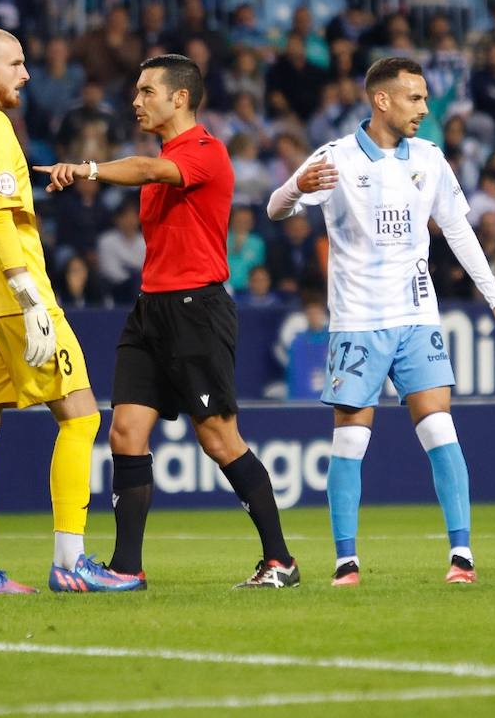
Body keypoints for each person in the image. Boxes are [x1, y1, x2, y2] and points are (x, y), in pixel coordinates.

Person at [37, 55, 299, 588]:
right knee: (125, 432)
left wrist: (88, 168)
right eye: (135, 91)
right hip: (150, 309)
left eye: (146, 91)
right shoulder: (161, 157)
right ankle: (125, 569)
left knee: (220, 439)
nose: (136, 101)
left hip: (196, 311)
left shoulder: (204, 151)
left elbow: (149, 170)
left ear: (179, 98)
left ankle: (280, 561)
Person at [266, 57, 495, 587]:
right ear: (381, 99)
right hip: (358, 323)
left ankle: (462, 556)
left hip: (416, 317)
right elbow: (275, 207)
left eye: (426, 98)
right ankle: (346, 563)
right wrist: (295, 188)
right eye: (415, 98)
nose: (425, 109)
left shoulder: (429, 159)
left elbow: (458, 231)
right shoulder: (335, 158)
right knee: (350, 443)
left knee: (439, 428)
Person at [0, 27, 136, 595]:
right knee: (81, 416)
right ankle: (70, 562)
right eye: (17, 64)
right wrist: (29, 298)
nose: (26, 74)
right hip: (14, 299)